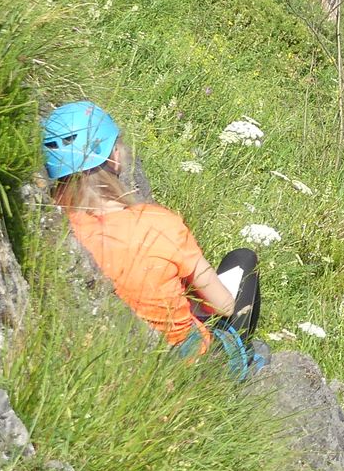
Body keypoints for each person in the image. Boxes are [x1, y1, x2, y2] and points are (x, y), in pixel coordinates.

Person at [41, 101, 267, 379]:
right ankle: (242, 366)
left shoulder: (54, 231)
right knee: (243, 258)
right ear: (113, 157)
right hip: (187, 363)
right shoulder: (157, 223)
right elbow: (224, 305)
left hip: (106, 358)